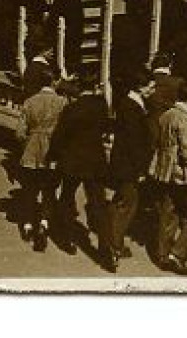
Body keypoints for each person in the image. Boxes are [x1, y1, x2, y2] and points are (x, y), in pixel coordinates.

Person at [46, 72, 112, 264]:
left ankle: (66, 240)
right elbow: (105, 127)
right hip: (95, 162)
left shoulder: (72, 109)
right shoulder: (101, 105)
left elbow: (60, 136)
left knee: (67, 197)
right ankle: (105, 250)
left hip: (72, 161)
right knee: (98, 202)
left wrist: (52, 156)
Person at [147, 79, 187, 275]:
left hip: (165, 170)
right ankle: (178, 254)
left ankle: (162, 254)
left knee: (168, 211)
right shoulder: (185, 120)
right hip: (183, 173)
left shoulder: (166, 115)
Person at [103, 69, 154, 266]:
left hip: (124, 163)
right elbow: (135, 143)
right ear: (140, 87)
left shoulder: (131, 103)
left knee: (121, 201)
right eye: (150, 86)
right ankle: (113, 245)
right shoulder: (132, 107)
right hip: (129, 166)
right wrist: (141, 170)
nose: (153, 90)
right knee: (127, 204)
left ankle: (112, 240)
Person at [15, 71, 67, 252]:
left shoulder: (30, 102)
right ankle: (44, 223)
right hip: (52, 153)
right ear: (54, 82)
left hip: (31, 151)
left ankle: (28, 225)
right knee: (49, 191)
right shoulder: (62, 103)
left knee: (29, 190)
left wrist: (30, 142)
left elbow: (20, 133)